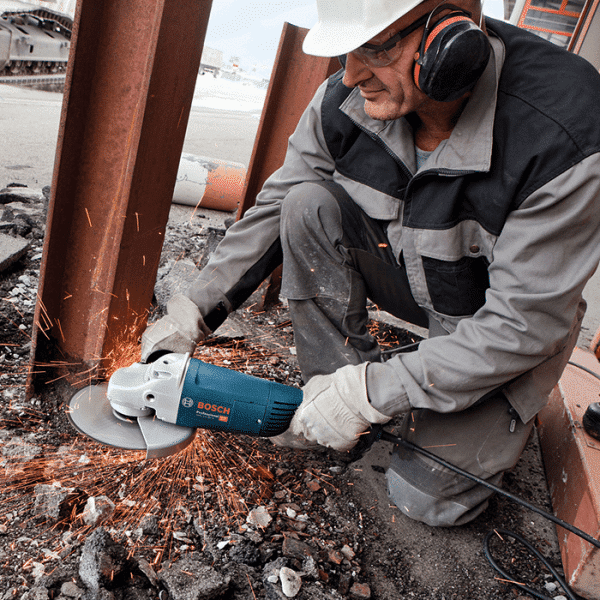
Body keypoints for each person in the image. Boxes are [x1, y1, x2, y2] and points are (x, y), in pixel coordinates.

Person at [141, 0, 600, 527]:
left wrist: (374, 391)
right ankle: (332, 401)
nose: (351, 75)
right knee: (305, 204)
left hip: (500, 324)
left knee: (425, 498)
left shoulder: (565, 132)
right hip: (411, 273)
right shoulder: (344, 99)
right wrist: (192, 313)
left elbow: (521, 324)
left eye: (375, 50)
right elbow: (276, 206)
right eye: (348, 52)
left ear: (449, 41)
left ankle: (395, 396)